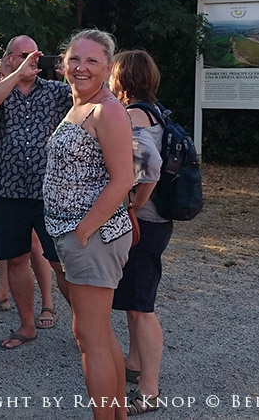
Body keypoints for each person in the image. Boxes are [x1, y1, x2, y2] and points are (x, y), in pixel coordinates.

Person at [43, 29, 135, 420]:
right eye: (74, 59)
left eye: (92, 61)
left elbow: (123, 179)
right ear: (63, 64)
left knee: (89, 338)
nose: (81, 67)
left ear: (108, 67)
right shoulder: (79, 105)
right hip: (75, 236)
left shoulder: (106, 110)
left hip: (93, 238)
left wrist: (83, 231)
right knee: (97, 332)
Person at [0, 35, 72, 349]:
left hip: (49, 192)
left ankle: (86, 327)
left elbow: (95, 102)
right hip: (7, 190)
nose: (32, 60)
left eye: (35, 56)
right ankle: (27, 326)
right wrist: (16, 75)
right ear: (9, 59)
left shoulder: (56, 91)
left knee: (61, 263)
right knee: (16, 260)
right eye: (23, 55)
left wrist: (71, 73)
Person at [110, 50, 171, 415]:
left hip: (143, 222)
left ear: (121, 78)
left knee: (141, 308)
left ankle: (148, 390)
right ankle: (134, 363)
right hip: (156, 220)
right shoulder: (156, 111)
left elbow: (151, 165)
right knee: (134, 301)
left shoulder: (132, 115)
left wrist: (134, 205)